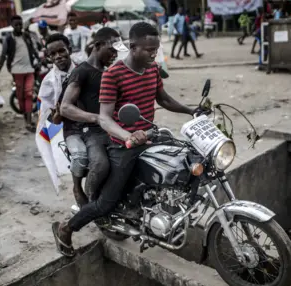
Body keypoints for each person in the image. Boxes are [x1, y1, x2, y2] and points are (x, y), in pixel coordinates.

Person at [51, 22, 207, 257]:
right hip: (123, 144)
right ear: (132, 47)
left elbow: (163, 99)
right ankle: (66, 228)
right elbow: (104, 118)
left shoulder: (152, 69)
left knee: (182, 165)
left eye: (156, 49)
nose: (154, 54)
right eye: (148, 50)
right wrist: (128, 136)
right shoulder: (113, 74)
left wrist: (191, 110)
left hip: (149, 136)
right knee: (106, 203)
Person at [58, 27, 126, 208]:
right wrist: (96, 118)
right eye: (111, 50)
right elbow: (65, 107)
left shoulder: (109, 72)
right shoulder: (82, 71)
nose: (114, 55)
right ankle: (90, 203)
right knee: (101, 164)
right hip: (92, 131)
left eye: (116, 52)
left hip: (112, 127)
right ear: (97, 45)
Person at [0, 15, 39, 132]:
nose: (19, 27)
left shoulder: (26, 36)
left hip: (29, 70)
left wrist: (40, 60)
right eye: (16, 25)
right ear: (12, 26)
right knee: (20, 97)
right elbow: (3, 56)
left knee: (29, 94)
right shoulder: (8, 39)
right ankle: (26, 118)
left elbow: (33, 50)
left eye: (20, 24)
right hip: (16, 71)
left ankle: (28, 122)